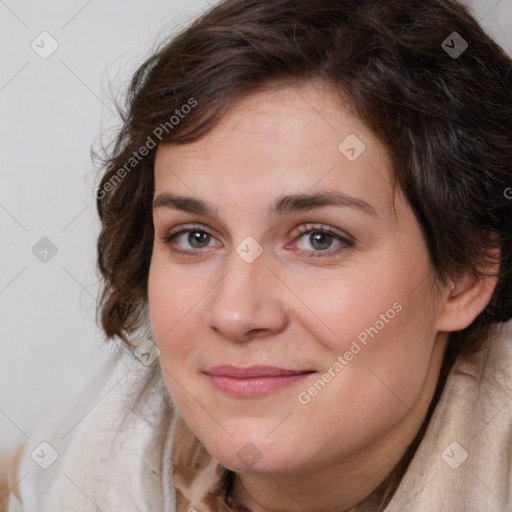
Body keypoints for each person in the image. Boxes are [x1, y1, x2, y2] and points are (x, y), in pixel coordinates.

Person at [4, 0, 512, 510]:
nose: (234, 313)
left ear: (464, 276)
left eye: (319, 239)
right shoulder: (57, 473)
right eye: (195, 237)